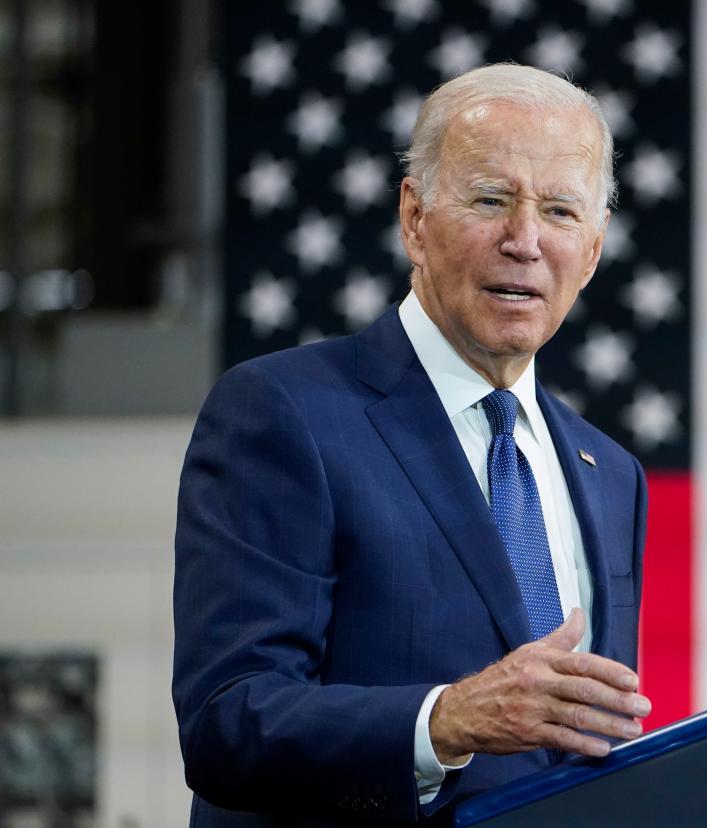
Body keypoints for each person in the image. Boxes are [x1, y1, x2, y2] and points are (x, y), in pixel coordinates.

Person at [172, 63, 650, 825]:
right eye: (491, 200)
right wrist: (445, 720)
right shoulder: (283, 412)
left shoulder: (610, 473)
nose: (524, 240)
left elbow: (584, 737)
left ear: (590, 252)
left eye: (560, 211)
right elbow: (227, 721)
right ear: (415, 218)